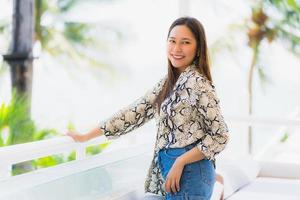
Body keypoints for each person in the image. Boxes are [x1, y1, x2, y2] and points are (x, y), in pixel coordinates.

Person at [67, 16, 229, 200]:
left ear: (198, 48)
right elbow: (135, 112)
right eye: (172, 41)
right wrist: (86, 136)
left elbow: (220, 135)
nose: (177, 49)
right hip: (177, 174)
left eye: (185, 43)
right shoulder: (169, 82)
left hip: (189, 173)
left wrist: (181, 162)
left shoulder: (198, 83)